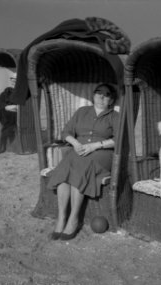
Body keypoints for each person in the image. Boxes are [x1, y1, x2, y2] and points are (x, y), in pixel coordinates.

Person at [47, 83, 119, 241]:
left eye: (106, 95)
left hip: (101, 153)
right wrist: (76, 144)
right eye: (98, 93)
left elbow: (118, 139)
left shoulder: (115, 116)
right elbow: (66, 132)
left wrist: (95, 145)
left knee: (82, 164)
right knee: (65, 169)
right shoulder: (82, 112)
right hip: (78, 149)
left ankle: (74, 219)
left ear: (111, 100)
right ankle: (61, 218)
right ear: (93, 96)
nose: (101, 97)